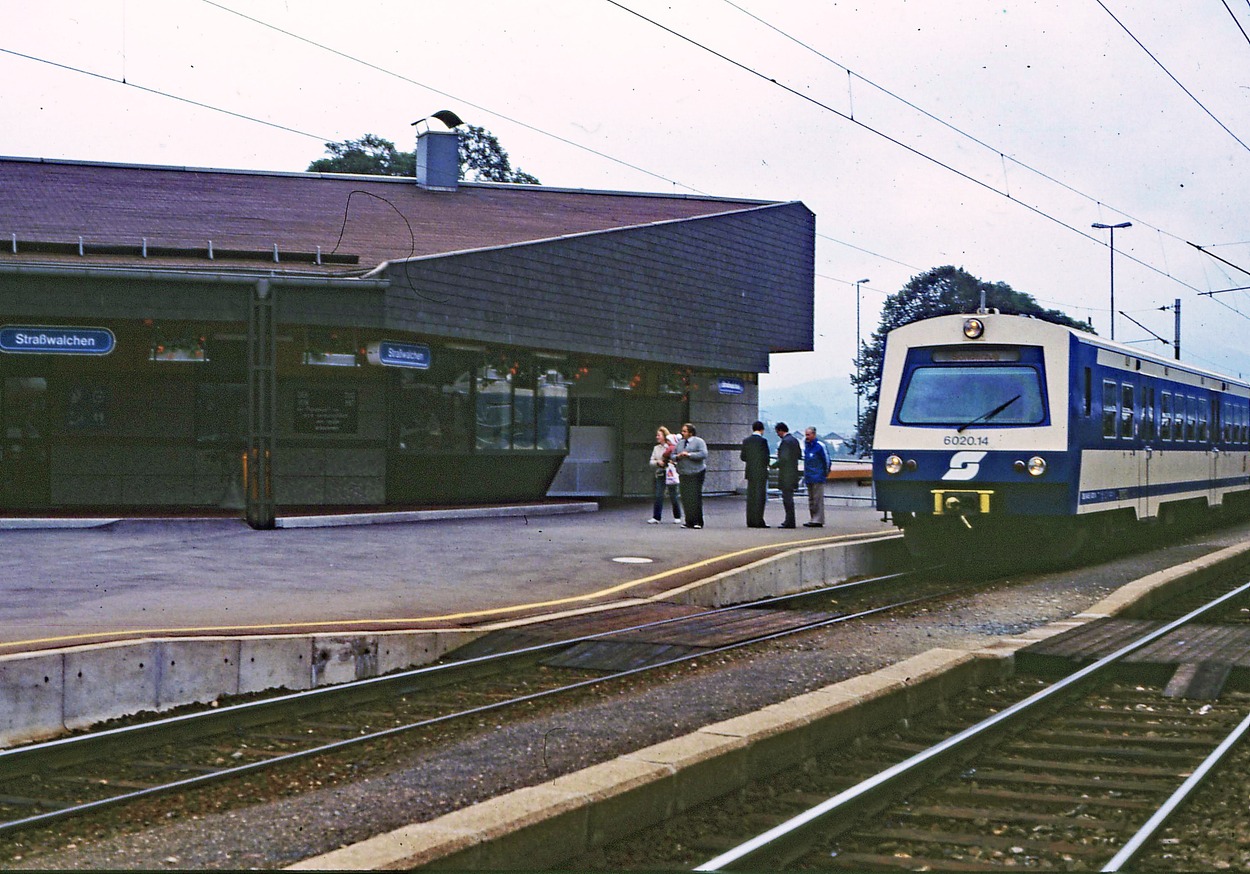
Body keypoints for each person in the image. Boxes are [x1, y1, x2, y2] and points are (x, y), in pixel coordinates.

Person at [673, 422, 708, 529]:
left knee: (695, 497)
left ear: (691, 432)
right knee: (685, 497)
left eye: (684, 431)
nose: (682, 433)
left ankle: (698, 521)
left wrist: (689, 455)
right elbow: (672, 455)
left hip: (696, 472)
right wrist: (677, 457)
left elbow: (703, 454)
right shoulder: (680, 443)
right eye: (682, 431)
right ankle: (689, 521)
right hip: (683, 472)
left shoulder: (699, 442)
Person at [648, 426, 682, 524]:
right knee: (658, 495)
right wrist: (658, 462)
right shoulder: (656, 448)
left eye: (659, 435)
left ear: (664, 436)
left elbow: (676, 458)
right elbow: (651, 461)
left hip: (670, 473)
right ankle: (656, 517)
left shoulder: (672, 446)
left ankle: (677, 516)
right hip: (660, 473)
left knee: (673, 495)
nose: (657, 437)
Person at [740, 420, 770, 528]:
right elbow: (766, 458)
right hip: (760, 472)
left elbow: (743, 457)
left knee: (751, 497)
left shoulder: (746, 441)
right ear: (762, 430)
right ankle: (759, 521)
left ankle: (750, 521)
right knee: (760, 497)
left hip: (750, 472)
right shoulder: (763, 442)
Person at [803, 426, 831, 527]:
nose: (807, 437)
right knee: (811, 499)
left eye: (808, 435)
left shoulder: (820, 446)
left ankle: (818, 519)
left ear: (814, 435)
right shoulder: (806, 446)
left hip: (818, 475)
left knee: (817, 499)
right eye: (806, 435)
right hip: (809, 475)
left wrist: (825, 472)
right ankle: (813, 518)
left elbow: (826, 460)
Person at [773, 422, 800, 529]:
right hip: (793, 472)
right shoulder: (794, 440)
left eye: (777, 432)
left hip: (786, 474)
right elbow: (798, 455)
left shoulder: (785, 442)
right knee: (790, 497)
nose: (777, 434)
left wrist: (774, 465)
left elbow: (784, 458)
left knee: (787, 499)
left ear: (780, 430)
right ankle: (790, 520)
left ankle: (789, 521)